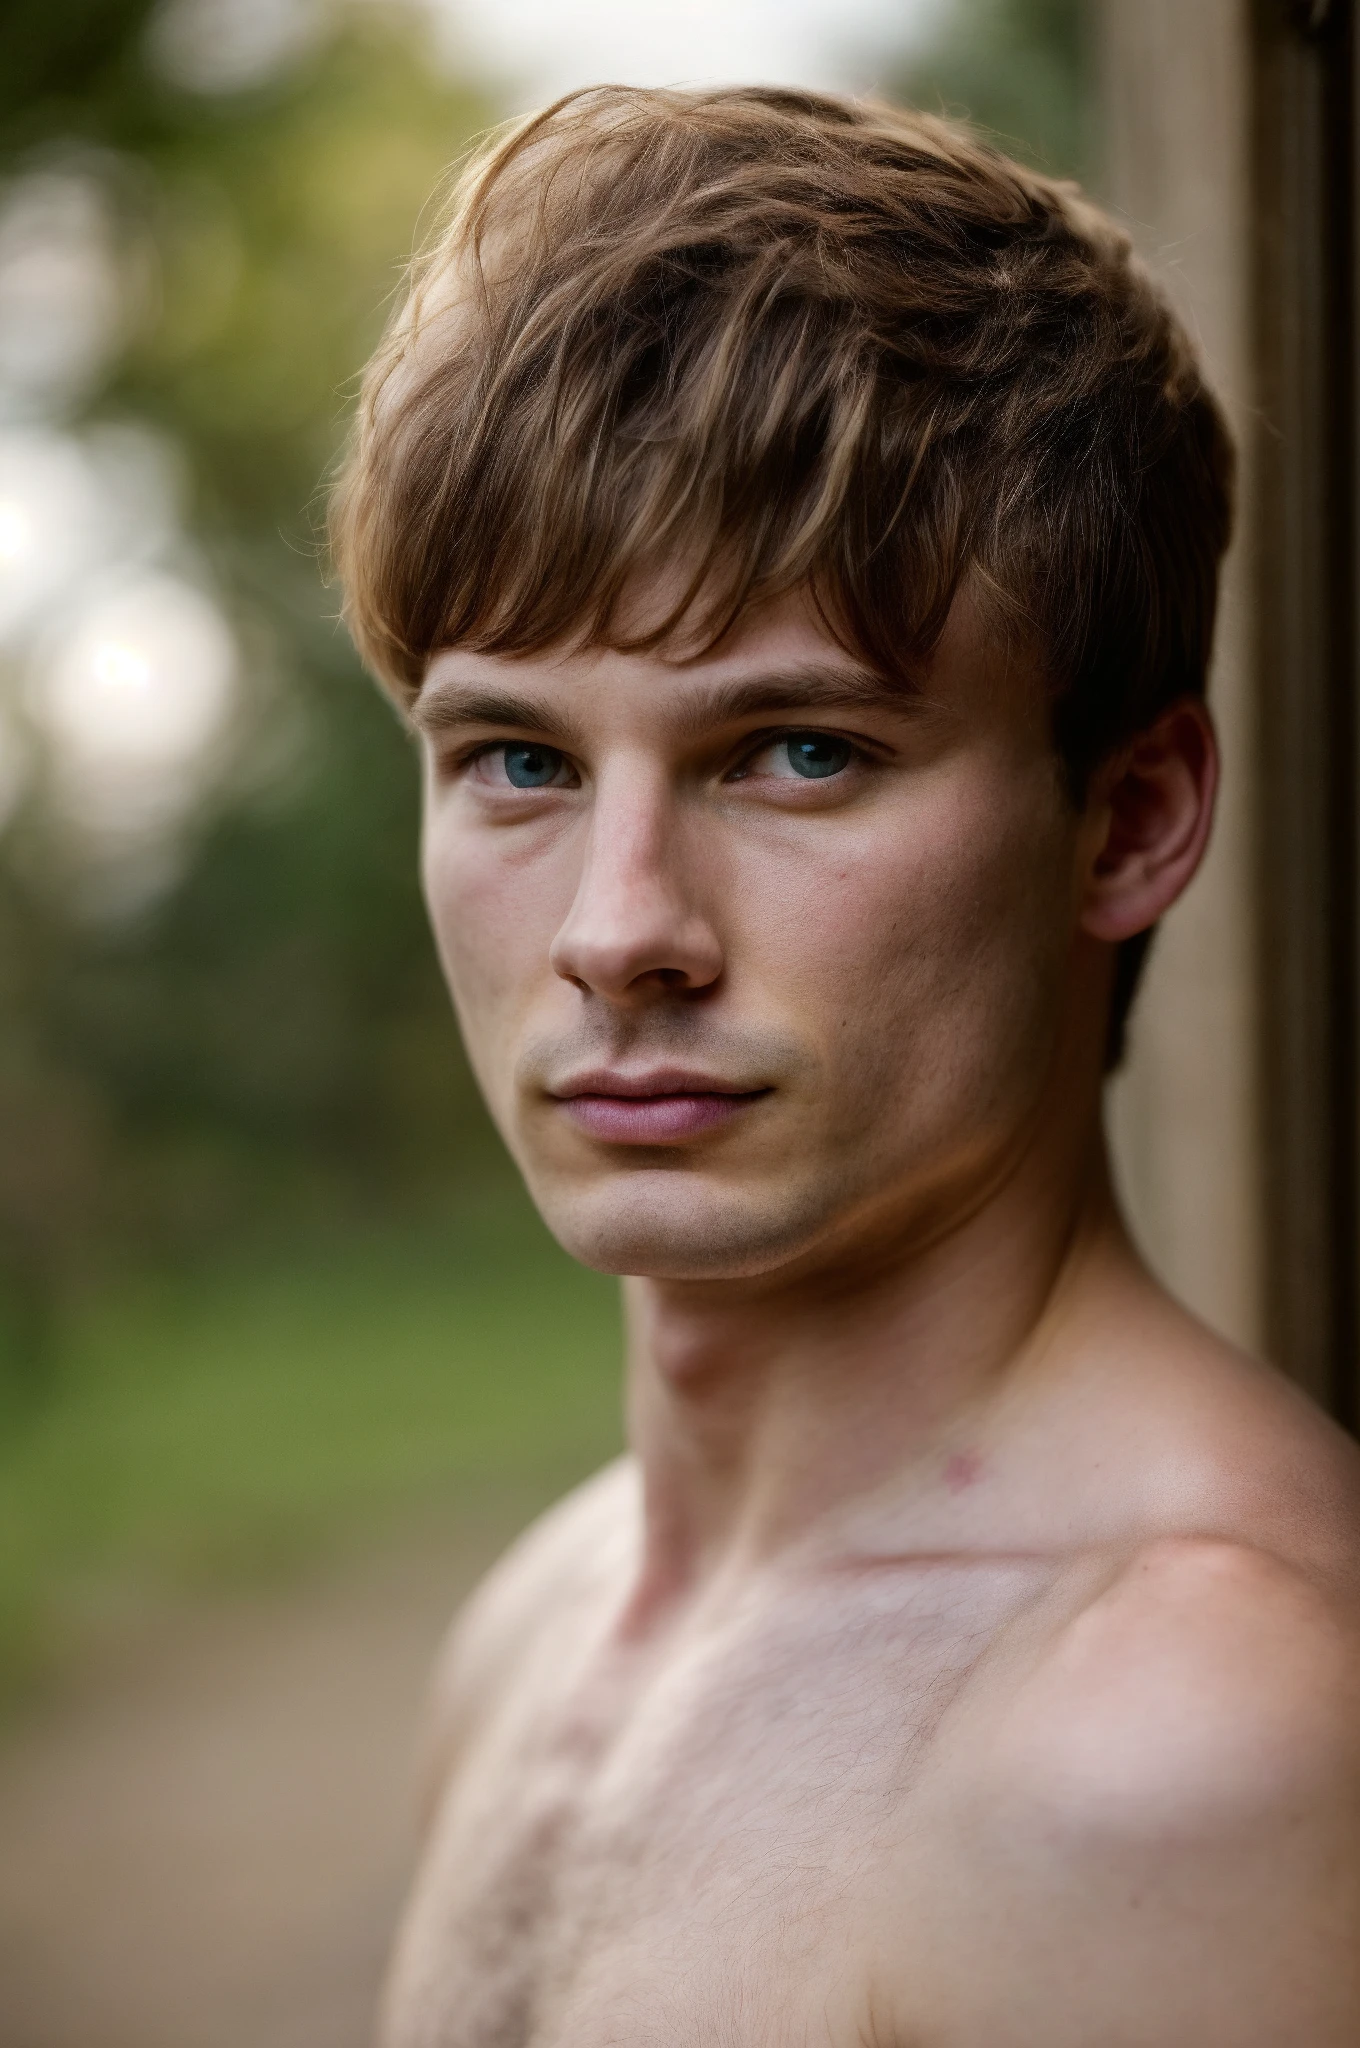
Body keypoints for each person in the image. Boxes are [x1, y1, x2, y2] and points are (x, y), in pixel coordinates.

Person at [331, 86, 1360, 2047]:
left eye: (797, 750)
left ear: (1126, 817)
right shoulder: (540, 1621)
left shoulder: (1178, 1741)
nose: (618, 926)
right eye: (517, 761)